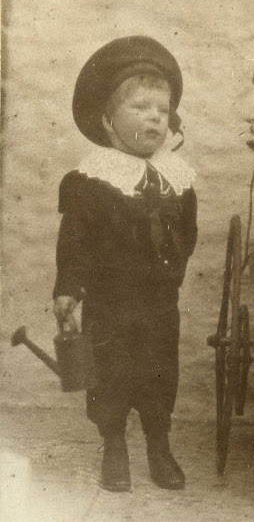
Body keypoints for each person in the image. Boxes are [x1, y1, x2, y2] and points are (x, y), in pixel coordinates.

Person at [53, 36, 197, 492]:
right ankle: (113, 444)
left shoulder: (175, 179)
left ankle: (159, 445)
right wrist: (68, 288)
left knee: (159, 373)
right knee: (110, 374)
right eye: (140, 107)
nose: (155, 117)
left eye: (163, 110)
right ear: (108, 121)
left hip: (159, 302)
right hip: (110, 302)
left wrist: (169, 268)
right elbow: (74, 242)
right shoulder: (92, 180)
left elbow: (188, 233)